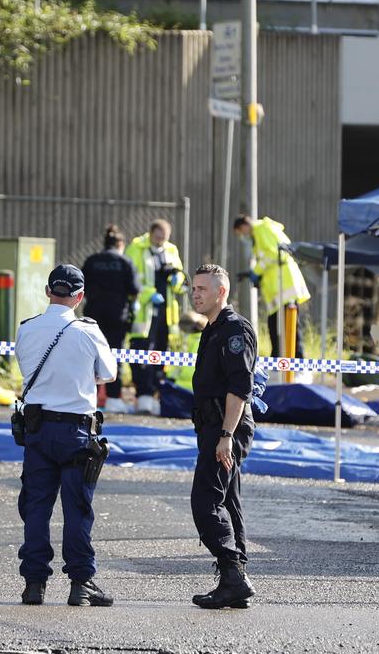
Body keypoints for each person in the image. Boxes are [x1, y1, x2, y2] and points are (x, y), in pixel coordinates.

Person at [15, 264, 118, 607]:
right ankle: (80, 583)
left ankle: (34, 584)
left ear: (47, 292)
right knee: (77, 510)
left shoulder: (26, 330)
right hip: (76, 431)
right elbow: (108, 375)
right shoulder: (88, 331)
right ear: (80, 297)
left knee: (36, 507)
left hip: (37, 429)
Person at [187, 263, 257, 610]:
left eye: (202, 288)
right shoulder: (212, 329)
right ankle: (234, 581)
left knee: (205, 502)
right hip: (214, 427)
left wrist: (226, 435)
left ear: (221, 292)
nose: (195, 293)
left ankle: (233, 575)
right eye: (194, 288)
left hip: (225, 428)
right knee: (228, 502)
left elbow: (239, 388)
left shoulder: (233, 330)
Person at [124, 219, 185, 415]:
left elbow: (179, 277)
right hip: (144, 311)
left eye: (164, 239)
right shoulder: (136, 249)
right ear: (150, 233)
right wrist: (149, 294)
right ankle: (143, 395)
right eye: (158, 238)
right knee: (141, 353)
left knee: (162, 353)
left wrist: (177, 279)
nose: (161, 242)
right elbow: (130, 279)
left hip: (165, 313)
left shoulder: (171, 250)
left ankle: (159, 395)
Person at [233, 214, 311, 359]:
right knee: (276, 327)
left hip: (284, 285)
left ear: (244, 226)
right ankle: (278, 361)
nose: (242, 236)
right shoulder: (259, 233)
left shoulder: (261, 229)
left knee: (289, 325)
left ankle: (298, 361)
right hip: (278, 288)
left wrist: (256, 272)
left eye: (240, 233)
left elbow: (272, 254)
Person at [81, 225, 139, 414]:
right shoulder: (124, 262)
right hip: (117, 316)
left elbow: (82, 286)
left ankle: (90, 395)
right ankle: (114, 397)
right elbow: (134, 289)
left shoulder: (91, 261)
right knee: (115, 355)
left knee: (90, 356)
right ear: (120, 244)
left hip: (93, 315)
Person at [167, 310, 207, 392]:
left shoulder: (186, 342)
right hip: (201, 387)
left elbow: (178, 365)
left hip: (182, 388)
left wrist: (169, 377)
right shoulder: (207, 339)